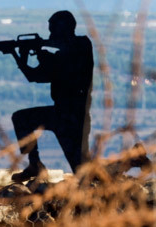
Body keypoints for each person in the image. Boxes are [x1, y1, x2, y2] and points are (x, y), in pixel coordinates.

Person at [9, 10, 93, 182]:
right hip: (62, 113)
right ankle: (35, 165)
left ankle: (131, 161)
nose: (50, 35)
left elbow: (57, 68)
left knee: (82, 172)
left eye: (53, 31)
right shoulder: (71, 50)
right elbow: (34, 76)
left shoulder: (81, 46)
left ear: (64, 30)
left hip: (71, 117)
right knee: (21, 118)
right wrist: (19, 56)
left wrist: (40, 54)